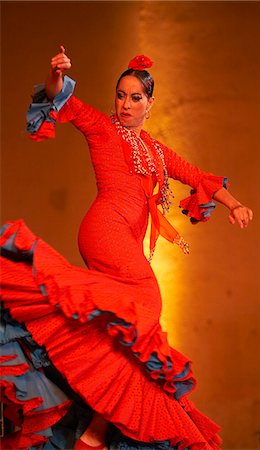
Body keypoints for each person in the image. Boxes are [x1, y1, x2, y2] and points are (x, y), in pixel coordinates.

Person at [0, 46, 253, 450]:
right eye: (121, 95)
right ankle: (95, 431)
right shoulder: (103, 128)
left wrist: (235, 204)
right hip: (105, 228)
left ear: (150, 104)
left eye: (135, 97)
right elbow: (63, 97)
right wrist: (56, 74)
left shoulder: (155, 148)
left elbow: (196, 175)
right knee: (148, 301)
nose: (126, 104)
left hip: (119, 235)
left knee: (123, 330)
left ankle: (93, 429)